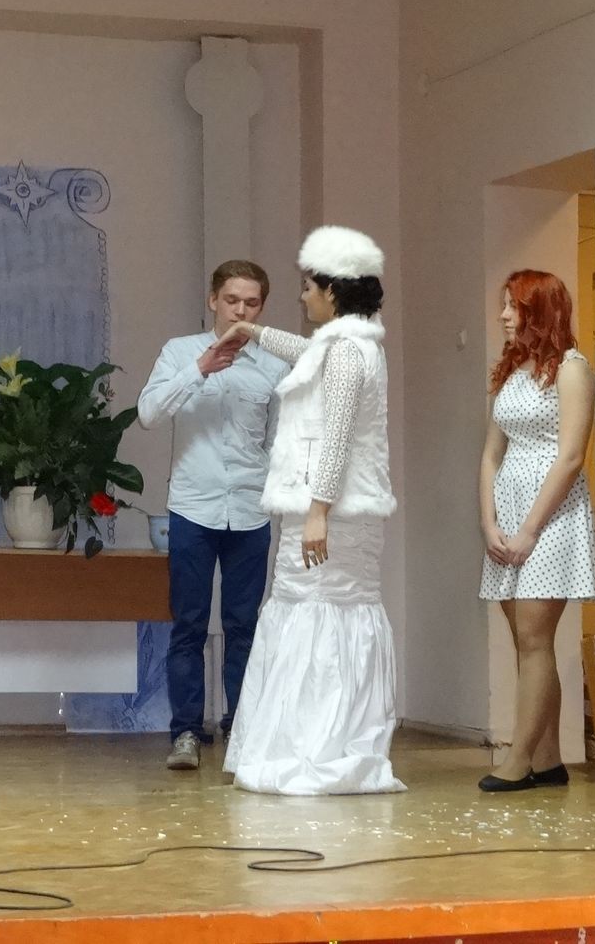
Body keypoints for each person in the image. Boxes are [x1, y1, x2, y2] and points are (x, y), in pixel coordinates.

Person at [219, 226, 405, 795]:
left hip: (334, 512)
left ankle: (316, 746)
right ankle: (314, 741)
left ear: (332, 290)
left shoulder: (347, 352)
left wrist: (319, 510)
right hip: (337, 511)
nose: (302, 297)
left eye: (307, 287)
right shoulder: (348, 347)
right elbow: (305, 354)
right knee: (311, 614)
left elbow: (337, 438)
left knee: (318, 615)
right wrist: (252, 332)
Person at [138, 260, 287, 772]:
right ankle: (186, 732)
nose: (240, 311)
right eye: (231, 300)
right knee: (190, 625)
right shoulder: (180, 352)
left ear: (261, 307)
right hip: (193, 509)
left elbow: (277, 444)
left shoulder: (274, 366)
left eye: (251, 303)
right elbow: (148, 414)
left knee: (244, 625)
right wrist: (199, 368)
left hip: (250, 511)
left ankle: (241, 732)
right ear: (213, 301)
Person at [477, 270, 595, 792]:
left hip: (551, 517)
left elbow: (571, 456)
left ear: (540, 311)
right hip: (509, 513)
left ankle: (518, 759)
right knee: (524, 642)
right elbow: (491, 453)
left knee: (534, 639)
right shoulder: (514, 369)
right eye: (505, 305)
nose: (504, 315)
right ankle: (548, 758)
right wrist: (489, 521)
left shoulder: (572, 369)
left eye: (514, 306)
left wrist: (530, 528)